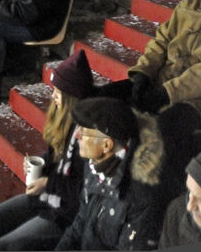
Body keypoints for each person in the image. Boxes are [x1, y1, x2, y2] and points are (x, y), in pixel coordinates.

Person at [53, 96, 164, 250]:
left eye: (84, 131)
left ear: (106, 145)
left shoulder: (141, 196)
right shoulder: (94, 164)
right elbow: (80, 222)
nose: (76, 134)